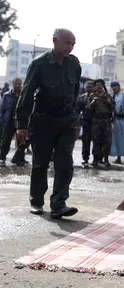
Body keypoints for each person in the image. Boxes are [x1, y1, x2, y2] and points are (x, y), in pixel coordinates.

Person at [16, 28, 82, 218]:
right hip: (43, 121)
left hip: (67, 121)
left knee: (65, 162)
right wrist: (22, 125)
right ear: (55, 41)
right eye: (67, 43)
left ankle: (58, 204)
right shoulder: (39, 64)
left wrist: (72, 112)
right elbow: (27, 94)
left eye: (73, 44)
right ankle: (37, 202)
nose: (70, 47)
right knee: (40, 164)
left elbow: (76, 89)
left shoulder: (74, 63)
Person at [0, 78, 28, 166]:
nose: (18, 86)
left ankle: (20, 158)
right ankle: (2, 156)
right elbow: (2, 109)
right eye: (16, 84)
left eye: (19, 84)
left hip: (20, 122)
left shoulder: (24, 95)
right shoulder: (7, 95)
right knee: (6, 140)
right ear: (13, 84)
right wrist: (1, 120)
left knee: (21, 141)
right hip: (9, 121)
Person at [88, 79, 114, 167]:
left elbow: (113, 107)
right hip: (96, 120)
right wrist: (93, 102)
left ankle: (106, 159)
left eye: (100, 85)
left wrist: (109, 102)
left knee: (107, 141)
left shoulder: (107, 95)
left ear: (103, 86)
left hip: (106, 120)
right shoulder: (92, 96)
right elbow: (88, 109)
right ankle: (95, 159)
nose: (99, 86)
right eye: (97, 85)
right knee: (96, 140)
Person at [110, 81, 124, 164]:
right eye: (113, 86)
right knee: (117, 139)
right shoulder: (113, 96)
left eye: (115, 86)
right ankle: (118, 157)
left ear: (119, 86)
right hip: (116, 119)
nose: (114, 88)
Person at [76, 80, 94, 166]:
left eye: (91, 87)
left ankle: (96, 159)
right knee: (85, 141)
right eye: (88, 87)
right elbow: (78, 110)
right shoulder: (82, 97)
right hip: (86, 121)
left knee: (97, 142)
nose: (89, 89)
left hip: (96, 122)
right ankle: (85, 158)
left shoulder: (98, 97)